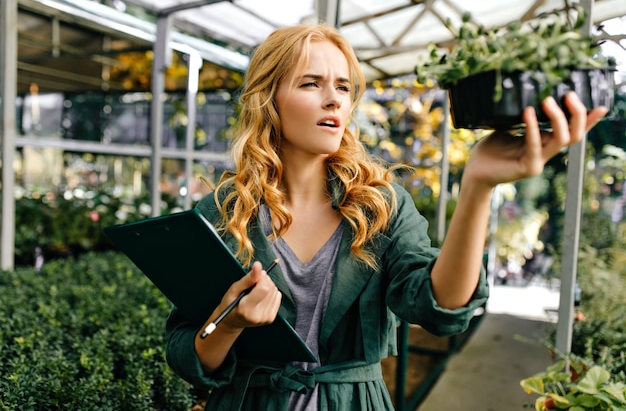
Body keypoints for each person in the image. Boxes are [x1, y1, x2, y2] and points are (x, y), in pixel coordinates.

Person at [165, 23, 608, 411]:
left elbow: (441, 308)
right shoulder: (223, 214)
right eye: (310, 84)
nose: (333, 100)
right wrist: (231, 322)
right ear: (269, 99)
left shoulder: (380, 206)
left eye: (342, 86)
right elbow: (188, 352)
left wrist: (478, 185)